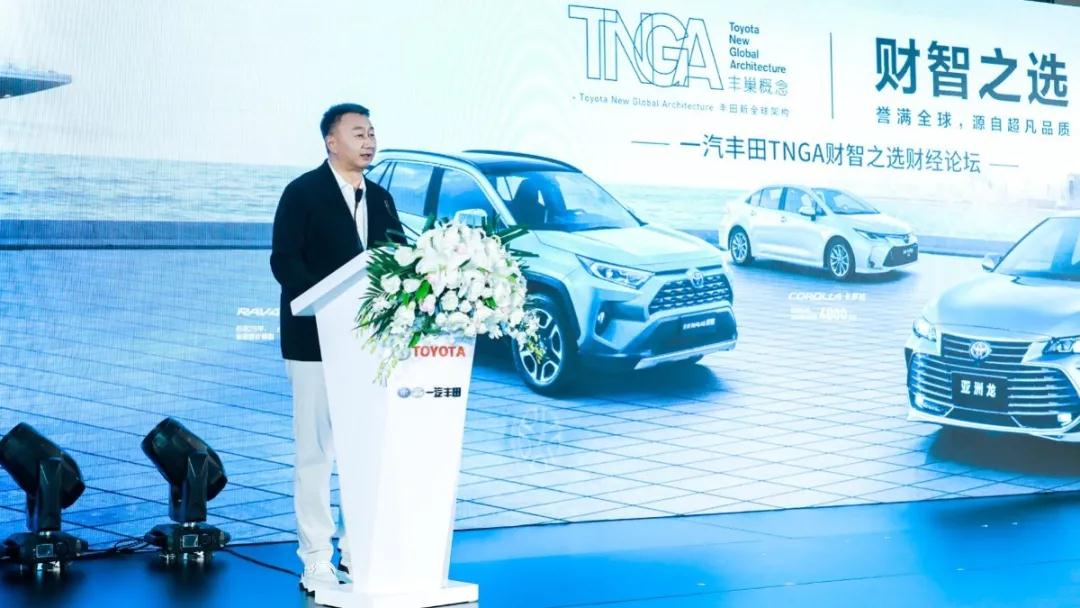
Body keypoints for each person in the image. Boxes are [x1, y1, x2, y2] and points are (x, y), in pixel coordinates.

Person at [270, 103, 404, 594]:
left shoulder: (382, 199)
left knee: (361, 452)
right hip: (313, 343)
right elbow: (285, 261)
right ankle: (316, 558)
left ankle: (357, 549)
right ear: (331, 141)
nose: (369, 141)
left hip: (368, 345)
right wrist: (328, 304)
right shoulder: (302, 192)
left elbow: (397, 263)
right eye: (358, 133)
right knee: (315, 453)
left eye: (372, 132)